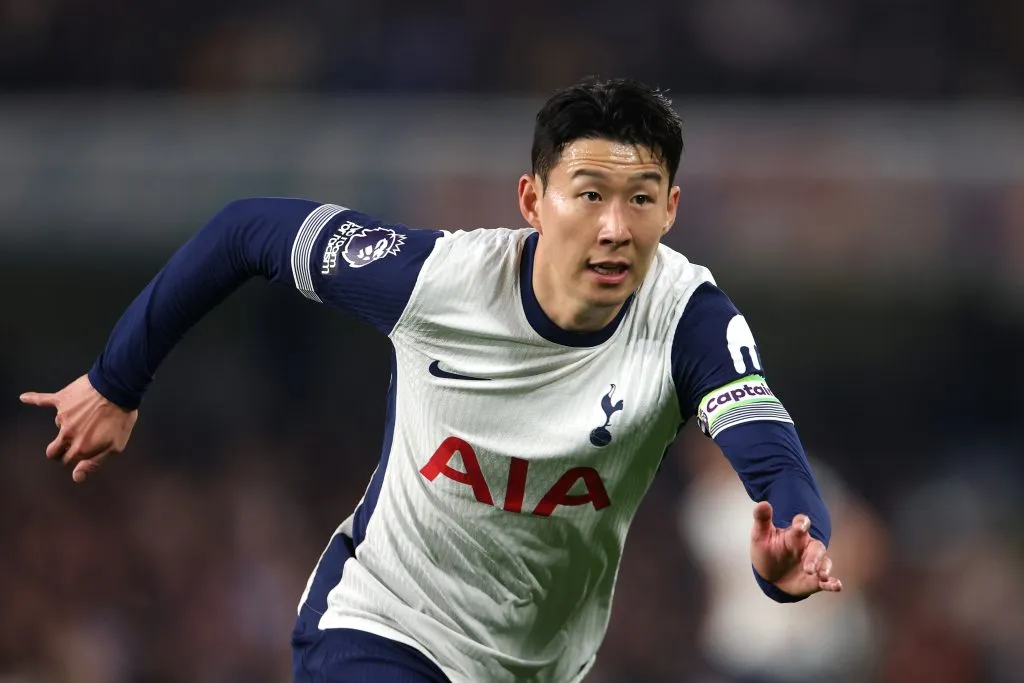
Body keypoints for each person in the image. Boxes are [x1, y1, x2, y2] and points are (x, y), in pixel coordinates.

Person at [20, 77, 841, 683]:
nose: (615, 227)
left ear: (671, 210)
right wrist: (118, 378)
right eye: (588, 195)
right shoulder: (437, 281)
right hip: (380, 624)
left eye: (640, 199)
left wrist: (790, 555)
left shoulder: (687, 317)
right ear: (533, 199)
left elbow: (770, 454)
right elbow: (246, 231)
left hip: (539, 665)